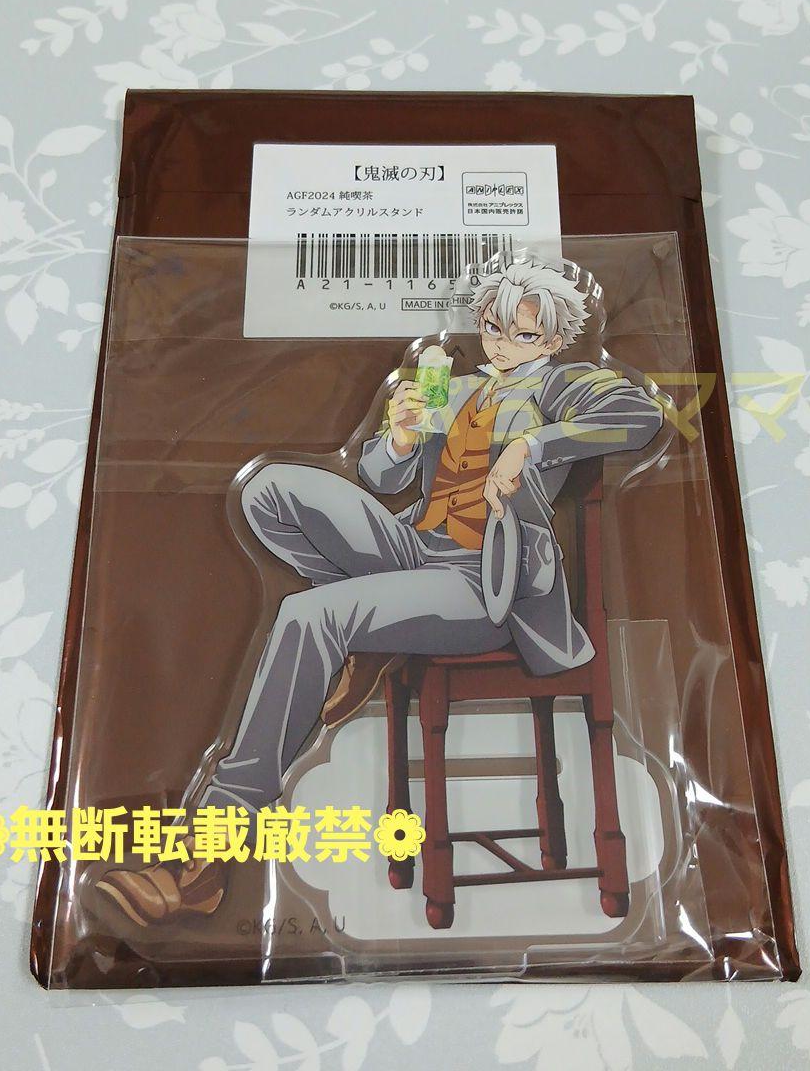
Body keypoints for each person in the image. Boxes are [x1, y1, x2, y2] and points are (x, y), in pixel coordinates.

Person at [96, 260, 664, 926]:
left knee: (309, 614)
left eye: (522, 333)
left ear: (554, 340)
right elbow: (378, 476)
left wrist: (533, 447)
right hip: (411, 549)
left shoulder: (566, 385)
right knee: (269, 490)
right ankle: (366, 636)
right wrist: (399, 436)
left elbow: (640, 417)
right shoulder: (455, 387)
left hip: (485, 583)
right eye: (492, 327)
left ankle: (211, 849)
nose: (501, 343)